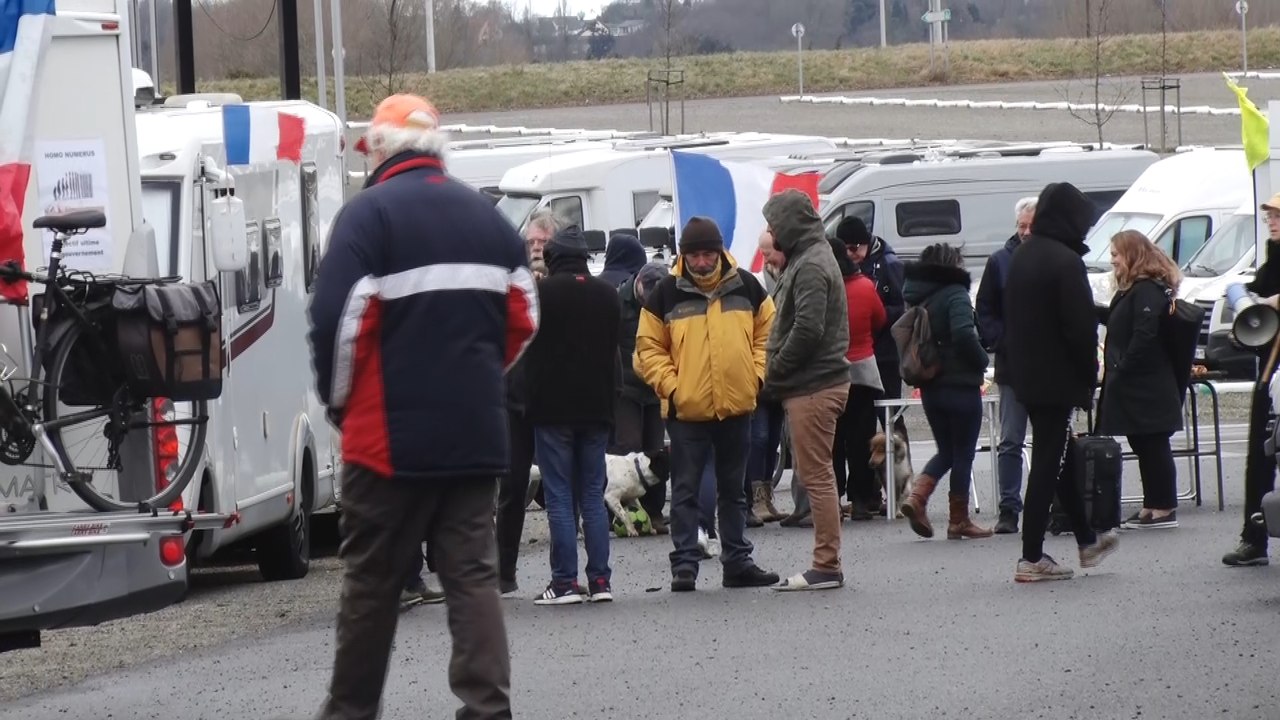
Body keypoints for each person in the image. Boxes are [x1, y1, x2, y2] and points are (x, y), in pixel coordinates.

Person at [308, 93, 534, 718]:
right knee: (472, 579)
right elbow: (523, 317)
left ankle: (351, 712)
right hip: (475, 436)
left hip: (386, 441)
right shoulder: (490, 221)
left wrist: (339, 403)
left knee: (372, 589)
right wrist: (480, 377)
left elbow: (336, 323)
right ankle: (488, 709)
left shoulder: (366, 218)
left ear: (379, 149)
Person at [635, 216, 781, 593]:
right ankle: (684, 564)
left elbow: (769, 333)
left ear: (719, 252)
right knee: (684, 491)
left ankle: (737, 561)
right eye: (695, 255)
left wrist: (756, 376)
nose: (702, 261)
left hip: (736, 405)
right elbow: (647, 349)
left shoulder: (747, 286)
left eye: (708, 254)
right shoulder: (665, 293)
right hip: (687, 411)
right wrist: (673, 387)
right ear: (685, 255)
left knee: (735, 491)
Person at [1003, 181, 1119, 582]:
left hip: (1025, 375)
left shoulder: (1022, 255)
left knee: (1061, 455)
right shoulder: (1066, 262)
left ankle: (1088, 540)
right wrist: (1088, 380)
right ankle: (1031, 555)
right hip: (1057, 378)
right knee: (1048, 464)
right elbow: (1080, 331)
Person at [523, 225, 621, 605]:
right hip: (597, 408)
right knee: (593, 495)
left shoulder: (541, 295)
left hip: (551, 409)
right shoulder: (607, 295)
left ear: (552, 259)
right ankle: (600, 581)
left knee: (560, 495)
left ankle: (564, 582)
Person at [762, 190, 851, 591]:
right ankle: (825, 562)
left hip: (814, 386)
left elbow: (809, 329)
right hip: (810, 384)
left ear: (789, 226)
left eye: (773, 226)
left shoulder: (811, 264)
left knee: (816, 477)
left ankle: (826, 564)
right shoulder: (807, 257)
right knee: (818, 475)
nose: (769, 233)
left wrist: (775, 369)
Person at [898, 243, 992, 540]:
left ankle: (917, 498)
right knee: (963, 452)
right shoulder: (955, 293)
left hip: (929, 386)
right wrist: (982, 360)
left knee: (947, 451)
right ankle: (958, 520)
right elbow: (964, 333)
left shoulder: (916, 295)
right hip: (960, 384)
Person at [1098, 230, 1184, 530]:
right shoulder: (1135, 289)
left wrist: (1123, 365)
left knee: (1153, 441)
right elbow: (1121, 320)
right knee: (1143, 440)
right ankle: (1152, 503)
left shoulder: (1147, 289)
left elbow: (1145, 333)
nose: (1113, 262)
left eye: (1116, 255)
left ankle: (1163, 506)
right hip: (1140, 380)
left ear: (1132, 255)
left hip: (1147, 381)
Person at [496, 209, 560, 597]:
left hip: (552, 401)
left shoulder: (565, 284)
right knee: (512, 486)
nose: (536, 248)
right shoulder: (510, 284)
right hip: (513, 398)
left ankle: (563, 571)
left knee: (558, 489)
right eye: (532, 242)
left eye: (543, 243)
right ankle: (505, 570)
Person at [1222, 192, 1280, 566]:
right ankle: (1254, 535)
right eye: (1269, 216)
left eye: (1276, 216)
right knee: (1259, 457)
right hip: (1270, 371)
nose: (1270, 221)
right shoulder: (1273, 261)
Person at [975, 196, 1037, 535]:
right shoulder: (999, 261)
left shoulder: (1055, 259)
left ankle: (1051, 505)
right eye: (1021, 226)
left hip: (1046, 367)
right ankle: (1009, 509)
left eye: (1032, 226)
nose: (1026, 232)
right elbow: (984, 308)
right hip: (1012, 366)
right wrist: (1001, 340)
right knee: (1011, 439)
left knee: (1049, 440)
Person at [828, 237, 886, 521]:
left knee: (833, 441)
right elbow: (880, 319)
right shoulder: (865, 286)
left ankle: (834, 502)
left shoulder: (823, 288)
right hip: (862, 371)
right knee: (862, 438)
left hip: (829, 373)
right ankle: (862, 500)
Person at [613, 260, 672, 533]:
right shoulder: (617, 301)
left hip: (655, 388)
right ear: (638, 284)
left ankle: (654, 512)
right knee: (628, 446)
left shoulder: (667, 301)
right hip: (625, 388)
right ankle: (619, 512)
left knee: (655, 449)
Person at [839, 216, 907, 442]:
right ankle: (872, 472)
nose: (850, 254)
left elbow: (902, 307)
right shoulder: (846, 266)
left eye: (854, 248)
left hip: (885, 353)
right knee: (862, 419)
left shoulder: (889, 264)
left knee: (890, 416)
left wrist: (873, 313)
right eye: (845, 248)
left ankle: (901, 471)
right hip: (860, 355)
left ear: (866, 242)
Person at [747, 229, 787, 524]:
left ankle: (767, 495)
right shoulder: (758, 284)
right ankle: (755, 497)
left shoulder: (788, 279)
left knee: (773, 437)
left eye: (769, 251)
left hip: (781, 373)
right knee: (758, 437)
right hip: (760, 373)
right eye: (762, 252)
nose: (765, 258)